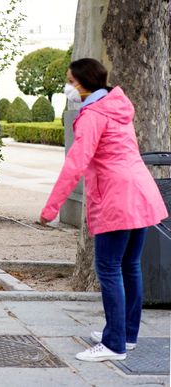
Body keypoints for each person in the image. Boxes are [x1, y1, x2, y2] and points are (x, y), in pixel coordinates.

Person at [39, 58, 168, 362]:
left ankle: (113, 345)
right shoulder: (116, 106)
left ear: (82, 83)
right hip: (140, 193)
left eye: (70, 81)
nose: (68, 87)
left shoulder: (93, 115)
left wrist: (51, 207)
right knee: (130, 266)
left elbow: (75, 164)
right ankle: (126, 334)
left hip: (116, 198)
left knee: (109, 269)